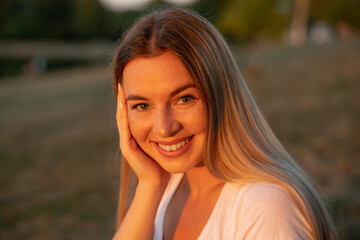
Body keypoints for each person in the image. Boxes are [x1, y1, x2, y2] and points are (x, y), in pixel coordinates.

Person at [112, 7, 338, 240]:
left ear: (221, 94)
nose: (163, 128)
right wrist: (150, 185)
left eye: (184, 99)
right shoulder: (168, 184)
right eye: (142, 106)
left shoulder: (264, 208)